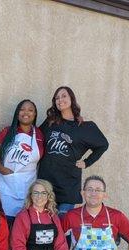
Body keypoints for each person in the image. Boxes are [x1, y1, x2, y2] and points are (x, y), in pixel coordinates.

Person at [38, 86, 109, 215]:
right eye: (57, 98)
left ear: (71, 98)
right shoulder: (50, 122)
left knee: (63, 229)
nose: (60, 100)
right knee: (45, 228)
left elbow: (103, 145)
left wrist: (87, 162)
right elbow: (36, 137)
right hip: (45, 184)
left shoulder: (85, 127)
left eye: (64, 96)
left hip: (67, 186)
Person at [0, 99, 44, 226]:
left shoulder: (39, 134)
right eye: (22, 109)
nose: (26, 112)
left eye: (30, 110)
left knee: (24, 224)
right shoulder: (7, 131)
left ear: (35, 114)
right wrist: (1, 168)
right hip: (6, 185)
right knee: (6, 224)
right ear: (17, 113)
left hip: (28, 184)